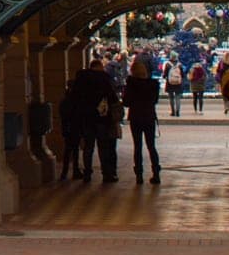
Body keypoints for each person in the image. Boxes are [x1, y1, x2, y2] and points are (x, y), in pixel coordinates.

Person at [69, 53, 120, 183]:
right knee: (103, 146)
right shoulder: (104, 78)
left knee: (88, 146)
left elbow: (74, 98)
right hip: (101, 117)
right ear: (100, 67)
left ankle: (87, 173)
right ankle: (106, 173)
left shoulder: (82, 79)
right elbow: (112, 97)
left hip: (86, 117)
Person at [122, 53, 162, 185]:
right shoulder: (153, 84)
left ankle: (139, 175)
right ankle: (156, 172)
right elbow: (155, 100)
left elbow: (126, 102)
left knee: (137, 146)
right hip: (149, 116)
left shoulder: (131, 84)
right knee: (151, 146)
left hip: (136, 117)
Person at [56, 82, 82, 182]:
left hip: (68, 127)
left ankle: (65, 172)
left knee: (68, 150)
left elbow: (63, 115)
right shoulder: (77, 100)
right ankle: (74, 170)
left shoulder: (65, 100)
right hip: (75, 127)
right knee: (74, 149)